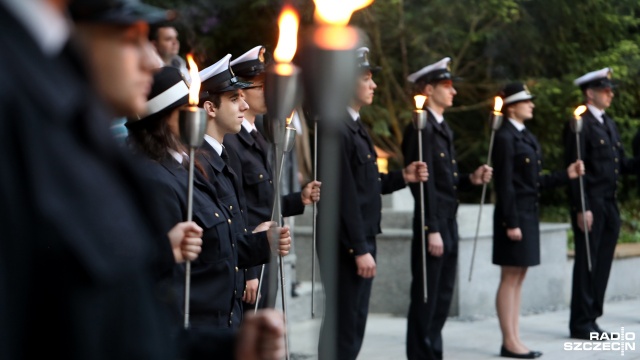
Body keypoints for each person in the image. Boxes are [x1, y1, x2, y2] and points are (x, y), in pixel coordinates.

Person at [127, 66, 293, 332]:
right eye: (187, 109)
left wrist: (261, 243)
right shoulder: (156, 179)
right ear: (165, 120)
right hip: (196, 329)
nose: (198, 115)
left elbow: (215, 247)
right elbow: (168, 276)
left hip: (224, 321)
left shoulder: (188, 167)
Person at [317, 47, 428, 360]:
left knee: (354, 324)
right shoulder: (336, 127)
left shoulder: (354, 126)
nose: (374, 85)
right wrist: (359, 248)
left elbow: (367, 186)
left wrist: (403, 177)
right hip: (347, 245)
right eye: (366, 79)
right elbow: (343, 196)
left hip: (361, 239)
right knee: (344, 328)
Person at [401, 57, 492, 360]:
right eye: (447, 86)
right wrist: (433, 229)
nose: (453, 92)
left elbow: (444, 181)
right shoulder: (420, 127)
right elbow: (421, 184)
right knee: (426, 297)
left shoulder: (441, 127)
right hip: (434, 225)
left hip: (447, 221)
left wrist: (470, 179)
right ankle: (420, 355)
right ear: (428, 89)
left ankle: (433, 353)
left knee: (441, 297)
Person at [225, 45, 321, 310]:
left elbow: (264, 199)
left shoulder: (258, 135)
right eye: (261, 86)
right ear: (241, 91)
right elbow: (239, 210)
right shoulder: (232, 141)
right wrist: (250, 271)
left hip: (265, 250)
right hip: (251, 255)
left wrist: (298, 199)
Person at [492, 83, 583, 359]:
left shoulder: (525, 136)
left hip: (528, 213)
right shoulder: (505, 137)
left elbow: (534, 182)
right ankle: (509, 341)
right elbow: (505, 183)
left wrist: (566, 174)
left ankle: (515, 337)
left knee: (519, 276)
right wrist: (511, 222)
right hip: (515, 215)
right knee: (510, 276)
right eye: (526, 101)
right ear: (512, 107)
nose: (532, 105)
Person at [564, 67, 639, 340]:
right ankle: (580, 322)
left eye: (610, 90)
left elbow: (622, 164)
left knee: (603, 263)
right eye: (605, 90)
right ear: (589, 93)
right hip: (591, 203)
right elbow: (575, 170)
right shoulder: (579, 122)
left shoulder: (607, 123)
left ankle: (592, 318)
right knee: (587, 263)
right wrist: (581, 207)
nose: (611, 94)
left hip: (609, 202)